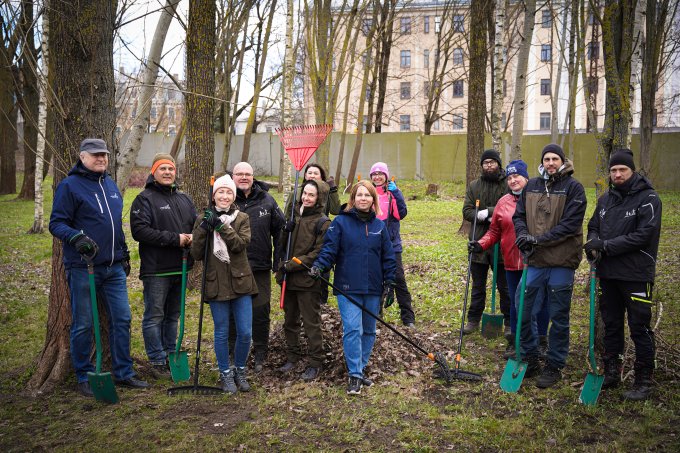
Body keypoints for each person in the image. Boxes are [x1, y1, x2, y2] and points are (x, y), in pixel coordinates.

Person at [49, 138, 149, 397]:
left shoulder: (110, 184)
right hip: (84, 267)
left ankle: (123, 372)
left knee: (122, 318)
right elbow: (56, 223)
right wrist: (76, 237)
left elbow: (114, 224)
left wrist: (123, 254)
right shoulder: (70, 186)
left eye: (104, 154)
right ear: (82, 157)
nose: (101, 158)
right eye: (95, 155)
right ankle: (84, 376)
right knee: (83, 323)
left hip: (113, 268)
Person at [585, 149, 662, 401]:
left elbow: (644, 235)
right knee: (612, 324)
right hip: (608, 273)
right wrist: (593, 242)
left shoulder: (649, 198)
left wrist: (606, 246)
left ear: (632, 171)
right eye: (614, 170)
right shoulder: (605, 200)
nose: (617, 174)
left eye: (622, 170)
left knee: (639, 327)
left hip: (636, 274)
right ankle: (612, 371)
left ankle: (643, 379)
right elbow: (593, 226)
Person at [311, 181, 397, 395]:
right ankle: (355, 375)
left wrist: (390, 283)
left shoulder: (379, 226)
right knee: (352, 329)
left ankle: (360, 367)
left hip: (373, 287)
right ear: (353, 199)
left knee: (368, 331)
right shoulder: (340, 223)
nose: (363, 199)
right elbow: (329, 249)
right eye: (359, 195)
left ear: (373, 200)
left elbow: (388, 257)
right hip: (347, 286)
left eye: (367, 195)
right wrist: (320, 265)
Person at [513, 143, 587, 388]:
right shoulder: (532, 185)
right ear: (542, 162)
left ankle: (554, 364)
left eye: (555, 158)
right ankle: (530, 356)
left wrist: (538, 240)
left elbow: (570, 225)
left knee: (558, 315)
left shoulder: (574, 188)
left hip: (562, 261)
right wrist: (522, 235)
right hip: (535, 260)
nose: (551, 163)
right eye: (547, 159)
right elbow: (519, 215)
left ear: (563, 161)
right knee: (523, 307)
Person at [468, 160, 549, 359]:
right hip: (511, 262)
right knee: (515, 303)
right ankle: (515, 341)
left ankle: (541, 341)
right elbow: (494, 231)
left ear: (526, 178)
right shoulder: (503, 202)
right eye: (510, 177)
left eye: (517, 176)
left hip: (536, 261)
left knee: (538, 302)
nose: (513, 180)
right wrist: (480, 244)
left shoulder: (539, 198)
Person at [130, 153, 197, 378]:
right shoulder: (144, 199)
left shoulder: (184, 199)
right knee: (155, 315)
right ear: (154, 172)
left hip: (182, 267)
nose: (167, 172)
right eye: (163, 169)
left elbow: (195, 225)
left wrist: (195, 236)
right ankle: (157, 360)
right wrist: (175, 239)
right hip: (157, 269)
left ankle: (170, 354)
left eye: (171, 169)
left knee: (173, 315)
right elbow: (140, 231)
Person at [191, 174, 258, 394]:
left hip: (241, 282)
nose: (225, 196)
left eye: (229, 192)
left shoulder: (242, 218)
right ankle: (225, 373)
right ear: (214, 195)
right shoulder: (203, 218)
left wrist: (220, 226)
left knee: (245, 332)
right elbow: (196, 253)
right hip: (216, 283)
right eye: (221, 191)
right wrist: (204, 227)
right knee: (221, 332)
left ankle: (240, 369)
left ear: (234, 196)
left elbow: (240, 245)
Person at [232, 162, 285, 372]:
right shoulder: (227, 198)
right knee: (232, 310)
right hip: (232, 267)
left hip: (260, 265)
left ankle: (261, 351)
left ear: (253, 177)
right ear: (233, 176)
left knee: (261, 309)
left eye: (248, 174)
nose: (244, 177)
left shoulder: (267, 200)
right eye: (239, 174)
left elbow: (280, 230)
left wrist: (278, 261)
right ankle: (232, 352)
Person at [275, 179, 331, 381]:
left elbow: (318, 252)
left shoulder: (323, 223)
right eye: (304, 193)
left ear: (319, 198)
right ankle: (292, 356)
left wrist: (293, 264)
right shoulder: (294, 216)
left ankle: (315, 362)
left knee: (310, 322)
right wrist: (285, 230)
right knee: (290, 321)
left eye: (311, 195)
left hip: (307, 280)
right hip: (288, 279)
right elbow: (281, 246)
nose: (306, 198)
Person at [462, 149, 511, 335]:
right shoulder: (474, 186)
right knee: (477, 286)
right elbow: (467, 211)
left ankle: (509, 322)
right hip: (479, 242)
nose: (489, 165)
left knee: (505, 287)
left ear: (498, 163)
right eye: (486, 163)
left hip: (503, 242)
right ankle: (473, 320)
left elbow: (512, 206)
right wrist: (481, 216)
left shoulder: (507, 184)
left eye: (492, 162)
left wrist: (490, 212)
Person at [369, 162, 416, 328]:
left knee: (398, 280)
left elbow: (401, 213)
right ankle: (376, 315)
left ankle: (408, 317)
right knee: (376, 279)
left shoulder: (393, 193)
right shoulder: (368, 193)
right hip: (372, 244)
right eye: (374, 174)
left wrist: (397, 193)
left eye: (380, 174)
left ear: (386, 176)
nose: (377, 177)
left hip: (392, 245)